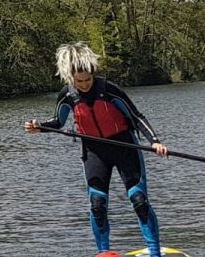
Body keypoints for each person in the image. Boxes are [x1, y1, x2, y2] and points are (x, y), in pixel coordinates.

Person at [24, 42, 171, 257]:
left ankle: (155, 253)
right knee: (97, 204)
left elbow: (136, 116)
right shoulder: (67, 95)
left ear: (93, 74)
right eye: (79, 81)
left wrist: (154, 141)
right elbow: (58, 122)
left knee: (139, 201)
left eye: (88, 80)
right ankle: (103, 253)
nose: (84, 85)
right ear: (70, 78)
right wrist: (39, 127)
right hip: (94, 152)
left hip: (124, 147)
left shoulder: (109, 89)